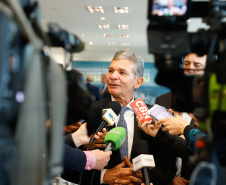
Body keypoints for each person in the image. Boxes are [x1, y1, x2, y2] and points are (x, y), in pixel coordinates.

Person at [80, 50, 177, 185]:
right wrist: (103, 176)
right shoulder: (89, 111)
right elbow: (68, 164)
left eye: (122, 72)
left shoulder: (154, 115)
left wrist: (144, 176)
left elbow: (168, 166)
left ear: (138, 82)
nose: (113, 76)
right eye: (110, 70)